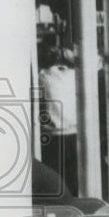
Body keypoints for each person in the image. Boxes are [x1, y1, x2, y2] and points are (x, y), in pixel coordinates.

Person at [38, 45, 79, 196]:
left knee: (55, 177)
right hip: (74, 133)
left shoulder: (43, 76)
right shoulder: (75, 76)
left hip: (52, 136)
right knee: (73, 177)